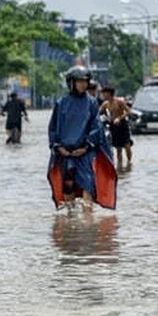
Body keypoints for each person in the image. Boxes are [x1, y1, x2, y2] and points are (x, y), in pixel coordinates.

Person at [47, 66, 117, 212]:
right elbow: (53, 128)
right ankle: (70, 219)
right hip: (65, 153)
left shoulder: (91, 103)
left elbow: (96, 127)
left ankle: (88, 220)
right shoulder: (61, 103)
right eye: (79, 81)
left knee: (87, 184)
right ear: (71, 83)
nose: (83, 85)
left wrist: (86, 146)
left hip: (84, 152)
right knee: (68, 186)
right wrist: (58, 147)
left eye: (85, 81)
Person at [99, 85, 133, 168]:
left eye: (105, 93)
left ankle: (129, 162)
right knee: (118, 148)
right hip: (113, 126)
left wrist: (119, 118)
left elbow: (128, 111)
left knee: (127, 145)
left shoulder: (119, 101)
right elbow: (98, 113)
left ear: (109, 93)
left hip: (122, 125)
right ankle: (120, 165)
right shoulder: (105, 104)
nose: (103, 95)